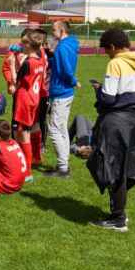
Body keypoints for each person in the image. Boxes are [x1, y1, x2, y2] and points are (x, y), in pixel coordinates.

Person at [87, 28, 135, 233]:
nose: (107, 53)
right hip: (133, 120)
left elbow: (108, 98)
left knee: (110, 166)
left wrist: (99, 90)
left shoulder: (115, 63)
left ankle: (118, 218)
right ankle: (119, 212)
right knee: (123, 166)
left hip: (115, 121)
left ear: (113, 47)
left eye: (107, 49)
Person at [43, 21, 80, 178]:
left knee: (54, 130)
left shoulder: (63, 47)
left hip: (61, 92)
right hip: (65, 91)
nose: (52, 33)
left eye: (54, 30)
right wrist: (49, 58)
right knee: (62, 128)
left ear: (62, 30)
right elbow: (59, 64)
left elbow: (65, 68)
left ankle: (63, 168)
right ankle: (63, 165)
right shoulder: (69, 45)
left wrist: (73, 81)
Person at [12, 31, 45, 182]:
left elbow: (17, 82)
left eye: (24, 43)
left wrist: (13, 65)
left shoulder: (27, 63)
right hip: (34, 99)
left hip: (24, 100)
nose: (21, 45)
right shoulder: (40, 61)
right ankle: (27, 162)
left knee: (23, 133)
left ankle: (27, 172)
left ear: (30, 46)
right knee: (25, 131)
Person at [30, 29, 50, 168]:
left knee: (39, 120)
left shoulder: (39, 55)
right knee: (37, 121)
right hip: (39, 91)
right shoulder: (41, 53)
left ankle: (40, 147)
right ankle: (37, 150)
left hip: (40, 93)